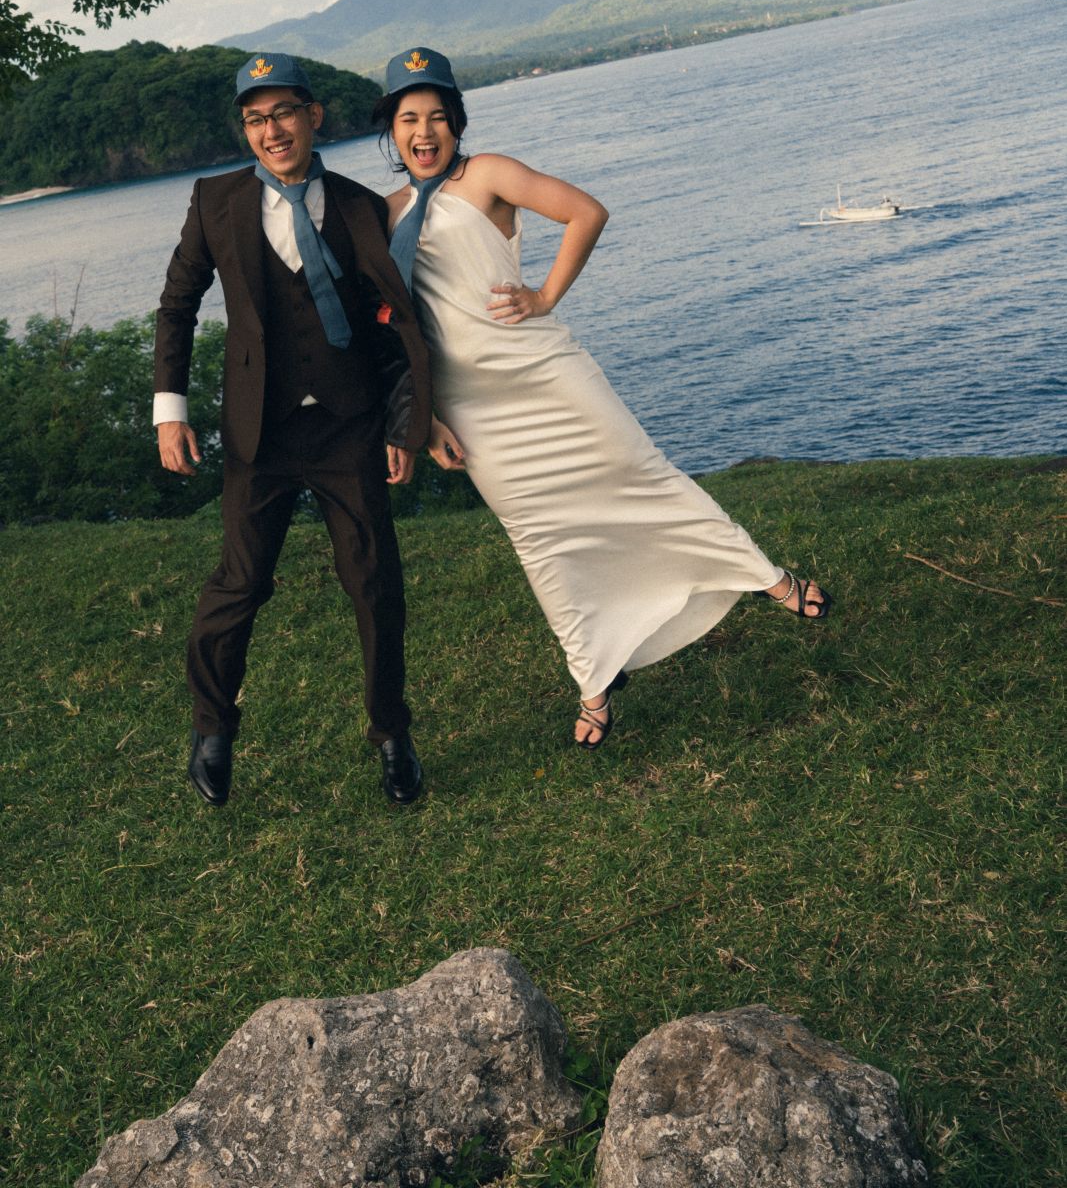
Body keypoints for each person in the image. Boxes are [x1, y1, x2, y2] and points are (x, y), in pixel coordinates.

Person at [378, 46, 832, 749]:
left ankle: (765, 577)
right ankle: (593, 681)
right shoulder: (385, 215)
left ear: (456, 122)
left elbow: (586, 212)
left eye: (437, 116)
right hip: (470, 407)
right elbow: (395, 328)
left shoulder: (488, 173)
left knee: (642, 475)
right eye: (409, 118)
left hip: (547, 374)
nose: (424, 131)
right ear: (392, 129)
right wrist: (424, 418)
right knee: (539, 539)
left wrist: (544, 296)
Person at [154, 53, 432, 806]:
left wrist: (404, 424)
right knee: (240, 583)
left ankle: (392, 734)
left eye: (282, 113)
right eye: (255, 119)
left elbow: (394, 326)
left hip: (349, 426)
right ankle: (213, 728)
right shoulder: (214, 201)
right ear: (245, 131)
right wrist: (170, 411)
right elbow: (177, 305)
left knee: (374, 584)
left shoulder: (360, 207)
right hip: (260, 433)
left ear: (313, 116)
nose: (271, 131)